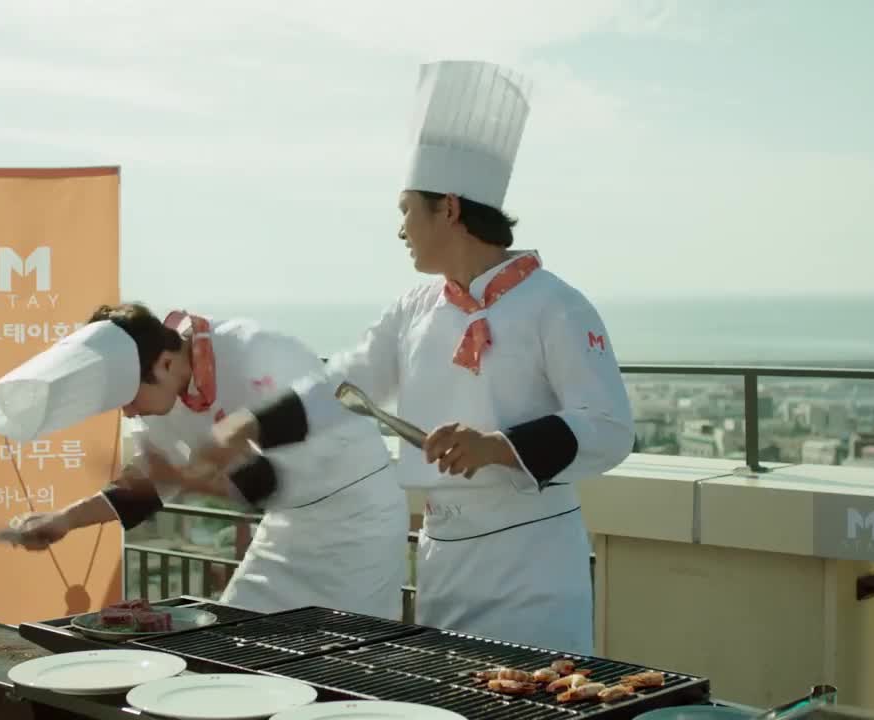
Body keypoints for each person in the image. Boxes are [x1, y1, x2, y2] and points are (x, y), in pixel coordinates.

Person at [192, 60, 635, 655]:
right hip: (442, 558)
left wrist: (497, 446)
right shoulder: (414, 307)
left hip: (533, 565)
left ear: (447, 209)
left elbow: (609, 427)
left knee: (534, 693)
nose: (400, 228)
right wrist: (252, 422)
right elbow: (345, 383)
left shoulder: (557, 305)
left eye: (406, 209)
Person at [0, 303, 409, 620]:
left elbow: (271, 481)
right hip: (287, 527)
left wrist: (190, 476)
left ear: (166, 363)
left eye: (129, 399)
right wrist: (65, 520)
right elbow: (151, 481)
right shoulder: (162, 395)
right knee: (238, 639)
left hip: (360, 524)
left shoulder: (256, 352)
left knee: (344, 656)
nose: (128, 413)